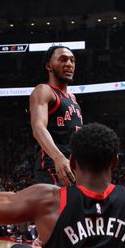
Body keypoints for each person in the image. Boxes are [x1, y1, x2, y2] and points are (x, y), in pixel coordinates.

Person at [29, 46, 83, 185]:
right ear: (49, 66)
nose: (69, 64)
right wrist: (58, 157)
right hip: (54, 166)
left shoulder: (73, 98)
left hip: (75, 167)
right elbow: (38, 127)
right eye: (63, 59)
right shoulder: (44, 90)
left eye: (72, 60)